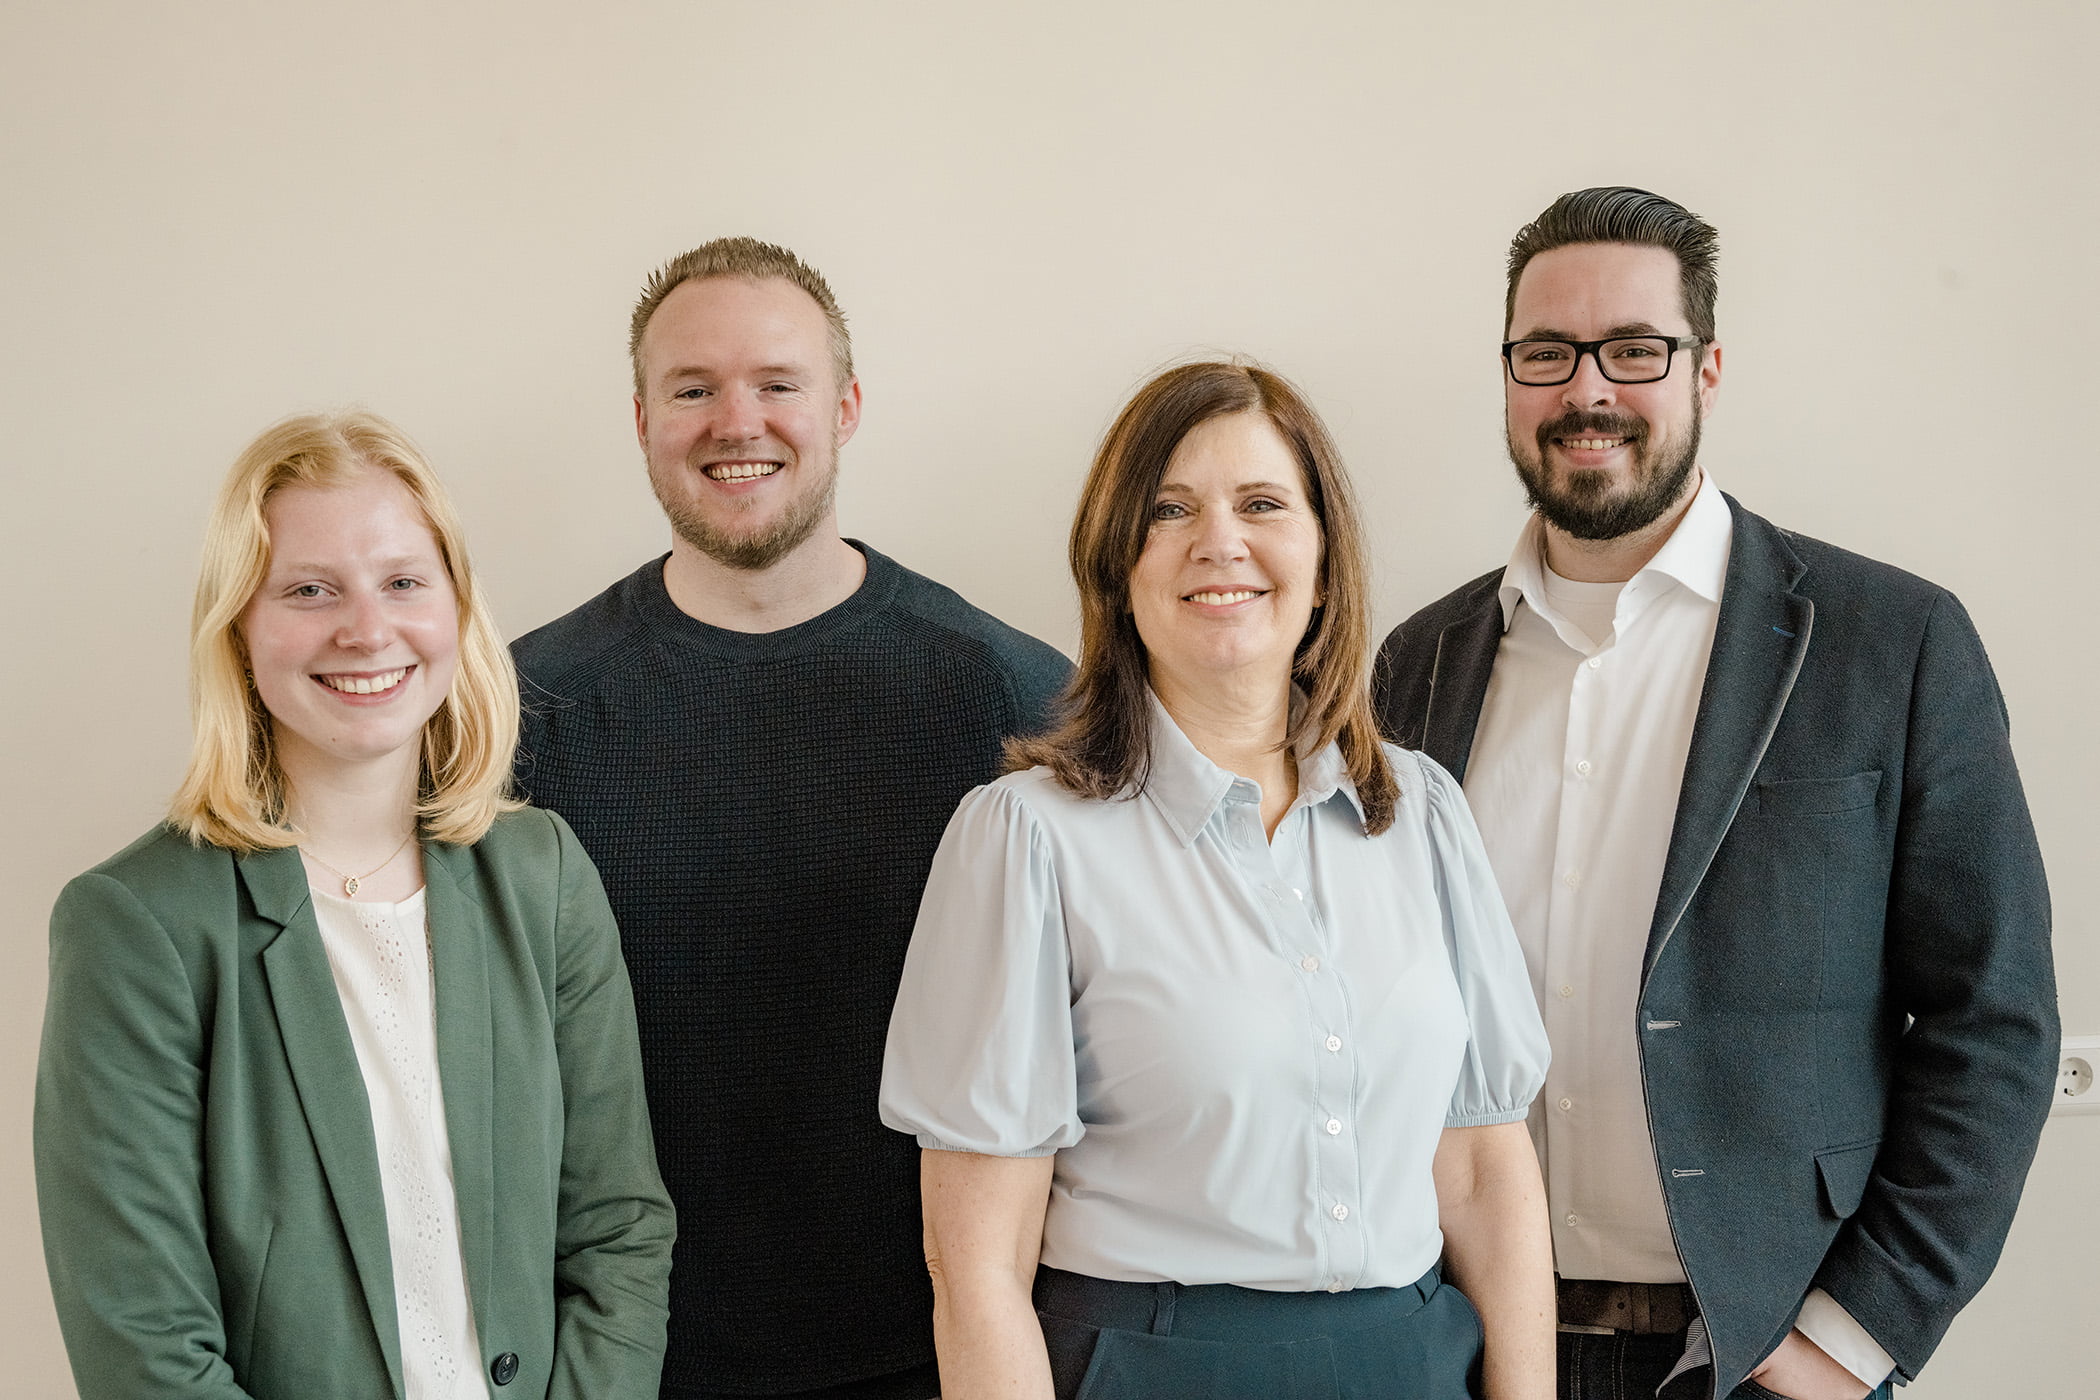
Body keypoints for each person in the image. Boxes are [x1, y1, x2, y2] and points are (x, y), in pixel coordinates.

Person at [1373, 187, 2057, 1400]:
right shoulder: (1418, 663)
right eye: (1548, 353)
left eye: (1635, 350)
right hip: (1467, 1340)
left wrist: (1854, 1337)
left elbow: (1994, 1021)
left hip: (1755, 1351)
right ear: (1510, 376)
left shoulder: (1889, 641)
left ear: (1708, 369)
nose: (1589, 390)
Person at [880, 361, 1556, 1400]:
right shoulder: (1025, 840)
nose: (1220, 541)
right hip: (1153, 1363)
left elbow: (1478, 1174)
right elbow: (975, 1265)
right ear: (1120, 567)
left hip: (1416, 1362)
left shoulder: (1422, 813)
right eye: (1171, 508)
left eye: (1261, 504)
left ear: (1325, 562)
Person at [510, 237, 1071, 1400]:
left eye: (777, 383)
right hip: (631, 1359)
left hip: (945, 1353)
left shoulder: (1014, 697)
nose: (737, 420)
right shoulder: (524, 713)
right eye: (693, 388)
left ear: (847, 406)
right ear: (640, 417)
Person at [35, 411, 675, 1400]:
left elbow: (619, 1228)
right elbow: (144, 1341)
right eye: (309, 589)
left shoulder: (541, 874)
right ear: (238, 627)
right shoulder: (136, 923)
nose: (367, 629)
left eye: (404, 581)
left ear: (457, 608)